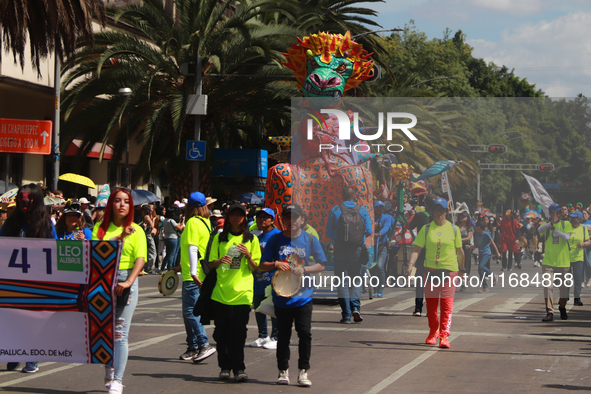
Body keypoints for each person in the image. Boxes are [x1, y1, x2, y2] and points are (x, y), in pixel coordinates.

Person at [260, 204, 327, 387]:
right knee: (283, 336)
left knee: (305, 334)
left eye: (295, 217)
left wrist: (304, 269)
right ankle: (283, 371)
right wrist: (275, 264)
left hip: (303, 296)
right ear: (283, 220)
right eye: (287, 217)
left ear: (302, 220)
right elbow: (262, 264)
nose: (291, 221)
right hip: (282, 297)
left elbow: (321, 264)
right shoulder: (275, 239)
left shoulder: (310, 240)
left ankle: (303, 372)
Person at [93, 188, 147, 394]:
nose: (122, 204)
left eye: (126, 201)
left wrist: (129, 282)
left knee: (119, 333)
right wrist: (118, 237)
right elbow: (96, 252)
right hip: (102, 281)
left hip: (126, 282)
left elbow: (140, 259)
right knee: (103, 330)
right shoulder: (99, 228)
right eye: (117, 200)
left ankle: (118, 380)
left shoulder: (137, 230)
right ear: (111, 205)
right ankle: (109, 366)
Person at [2, 184, 58, 374]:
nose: (24, 204)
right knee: (13, 319)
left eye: (28, 200)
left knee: (32, 321)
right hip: (13, 281)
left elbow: (55, 252)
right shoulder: (11, 222)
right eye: (21, 200)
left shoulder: (47, 224)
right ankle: (14, 352)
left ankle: (31, 359)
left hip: (37, 282)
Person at [208, 203, 261, 382]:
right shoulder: (219, 238)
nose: (237, 218)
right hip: (221, 293)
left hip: (242, 294)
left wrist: (248, 255)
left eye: (240, 215)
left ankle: (239, 368)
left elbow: (256, 269)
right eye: (233, 215)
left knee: (239, 334)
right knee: (221, 334)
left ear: (244, 218)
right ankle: (224, 367)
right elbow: (210, 263)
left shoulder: (251, 239)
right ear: (228, 217)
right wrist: (219, 261)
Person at [407, 197, 464, 349]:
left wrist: (462, 270)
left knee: (446, 305)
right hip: (430, 271)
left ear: (446, 212)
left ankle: (444, 336)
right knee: (432, 306)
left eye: (442, 210)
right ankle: (433, 331)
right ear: (432, 212)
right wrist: (411, 264)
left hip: (449, 271)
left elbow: (460, 252)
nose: (439, 213)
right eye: (436, 210)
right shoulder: (426, 229)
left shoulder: (454, 229)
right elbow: (416, 250)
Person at [177, 192, 217, 363]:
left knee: (190, 311)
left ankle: (203, 344)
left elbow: (193, 248)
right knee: (189, 312)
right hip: (198, 271)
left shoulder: (193, 222)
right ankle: (192, 346)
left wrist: (192, 272)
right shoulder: (206, 222)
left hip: (193, 274)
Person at [327, 186, 372, 323]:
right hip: (357, 249)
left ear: (342, 196)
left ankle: (346, 315)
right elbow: (369, 231)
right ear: (355, 196)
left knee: (342, 281)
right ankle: (356, 308)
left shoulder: (335, 209)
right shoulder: (362, 210)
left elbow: (329, 233)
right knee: (356, 279)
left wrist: (339, 236)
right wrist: (359, 238)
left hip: (340, 248)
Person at [249, 208, 282, 349]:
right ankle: (262, 336)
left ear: (272, 220)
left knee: (274, 308)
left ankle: (276, 336)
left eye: (265, 217)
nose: (262, 219)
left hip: (272, 278)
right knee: (258, 307)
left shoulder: (278, 236)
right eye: (259, 217)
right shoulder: (256, 237)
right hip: (258, 279)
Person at [537, 203, 572, 322]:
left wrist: (554, 229)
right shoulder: (547, 225)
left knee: (563, 288)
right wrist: (551, 224)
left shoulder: (566, 224)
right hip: (548, 262)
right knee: (548, 286)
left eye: (558, 212)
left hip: (563, 262)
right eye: (554, 212)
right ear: (551, 214)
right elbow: (539, 230)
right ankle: (550, 312)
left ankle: (562, 307)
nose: (556, 214)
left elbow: (566, 237)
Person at [408, 194, 435, 316]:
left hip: (421, 250)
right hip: (435, 251)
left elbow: (410, 226)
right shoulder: (438, 217)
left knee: (420, 280)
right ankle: (431, 308)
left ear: (425, 204)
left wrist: (412, 215)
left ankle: (418, 308)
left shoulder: (419, 215)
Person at [567, 210, 590, 306]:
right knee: (566, 279)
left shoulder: (584, 229)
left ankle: (577, 298)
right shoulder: (567, 227)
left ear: (579, 219)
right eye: (571, 217)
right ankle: (565, 297)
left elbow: (588, 241)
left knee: (578, 278)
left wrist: (583, 244)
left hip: (578, 257)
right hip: (567, 257)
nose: (571, 219)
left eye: (574, 217)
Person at [373, 201, 394, 298]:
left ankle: (380, 289)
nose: (379, 209)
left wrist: (379, 234)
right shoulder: (371, 217)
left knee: (379, 266)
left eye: (381, 207)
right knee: (372, 267)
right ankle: (375, 289)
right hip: (372, 246)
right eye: (377, 207)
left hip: (382, 246)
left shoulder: (387, 217)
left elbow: (386, 227)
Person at [471, 220, 500, 293]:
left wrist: (497, 252)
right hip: (480, 253)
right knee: (480, 270)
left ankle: (493, 275)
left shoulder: (486, 234)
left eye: (476, 227)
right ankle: (485, 287)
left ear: (479, 227)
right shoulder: (476, 235)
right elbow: (475, 245)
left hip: (486, 253)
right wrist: (470, 247)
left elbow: (493, 243)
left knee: (481, 266)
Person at [456, 211, 474, 291]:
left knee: (465, 264)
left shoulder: (469, 227)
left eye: (464, 217)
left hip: (466, 247)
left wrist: (459, 240)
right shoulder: (456, 226)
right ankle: (457, 280)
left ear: (467, 218)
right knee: (456, 264)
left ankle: (463, 282)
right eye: (461, 216)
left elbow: (468, 238)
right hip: (457, 247)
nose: (462, 218)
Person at [162, 206, 183, 271]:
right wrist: (182, 225)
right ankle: (170, 267)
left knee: (168, 253)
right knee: (172, 253)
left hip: (167, 237)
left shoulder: (165, 220)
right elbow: (179, 228)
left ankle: (163, 267)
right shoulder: (171, 221)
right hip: (173, 237)